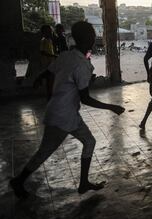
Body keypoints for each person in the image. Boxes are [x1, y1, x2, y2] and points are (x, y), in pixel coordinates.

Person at [9, 21, 125, 199]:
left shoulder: (66, 55)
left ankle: (84, 183)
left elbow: (49, 71)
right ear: (91, 39)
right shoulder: (82, 64)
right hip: (62, 117)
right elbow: (85, 98)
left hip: (66, 113)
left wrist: (38, 78)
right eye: (93, 36)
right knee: (45, 151)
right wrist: (112, 107)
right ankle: (19, 181)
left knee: (89, 142)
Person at [40, 25, 57, 100]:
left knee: (51, 79)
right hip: (46, 63)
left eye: (51, 31)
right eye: (49, 31)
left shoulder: (49, 40)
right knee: (49, 79)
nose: (50, 32)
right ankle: (49, 95)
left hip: (51, 62)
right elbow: (42, 52)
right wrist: (53, 55)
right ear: (43, 33)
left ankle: (51, 95)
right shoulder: (43, 40)